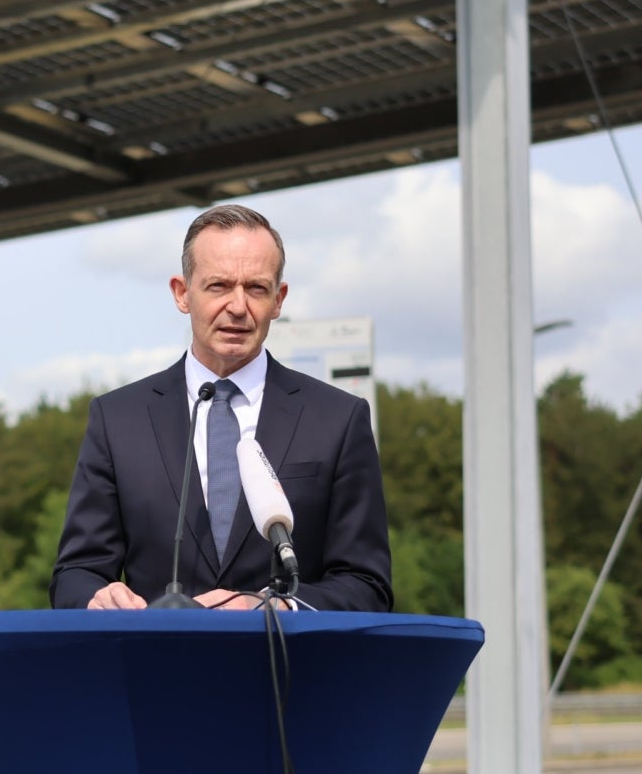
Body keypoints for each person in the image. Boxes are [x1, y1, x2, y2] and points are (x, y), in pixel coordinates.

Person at [50, 203, 392, 612]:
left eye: (256, 288)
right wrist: (98, 599)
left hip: (284, 669)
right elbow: (76, 572)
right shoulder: (117, 419)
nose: (237, 306)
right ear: (182, 293)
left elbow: (367, 584)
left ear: (278, 300)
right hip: (158, 667)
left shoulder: (338, 419)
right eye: (218, 286)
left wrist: (279, 607)